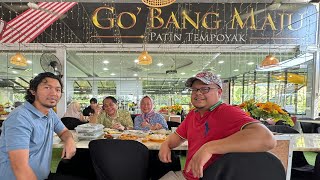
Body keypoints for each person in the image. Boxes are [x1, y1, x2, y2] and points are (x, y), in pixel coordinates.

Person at [158, 71, 276, 180]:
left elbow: (267, 139)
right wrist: (166, 144)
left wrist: (209, 148)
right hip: (189, 175)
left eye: (205, 89)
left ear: (219, 92)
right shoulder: (193, 115)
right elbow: (176, 139)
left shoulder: (227, 112)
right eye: (194, 89)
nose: (198, 93)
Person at [0, 72, 76, 180]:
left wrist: (69, 140)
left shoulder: (50, 113)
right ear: (33, 91)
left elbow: (64, 132)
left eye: (58, 90)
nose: (54, 93)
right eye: (47, 87)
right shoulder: (20, 118)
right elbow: (20, 168)